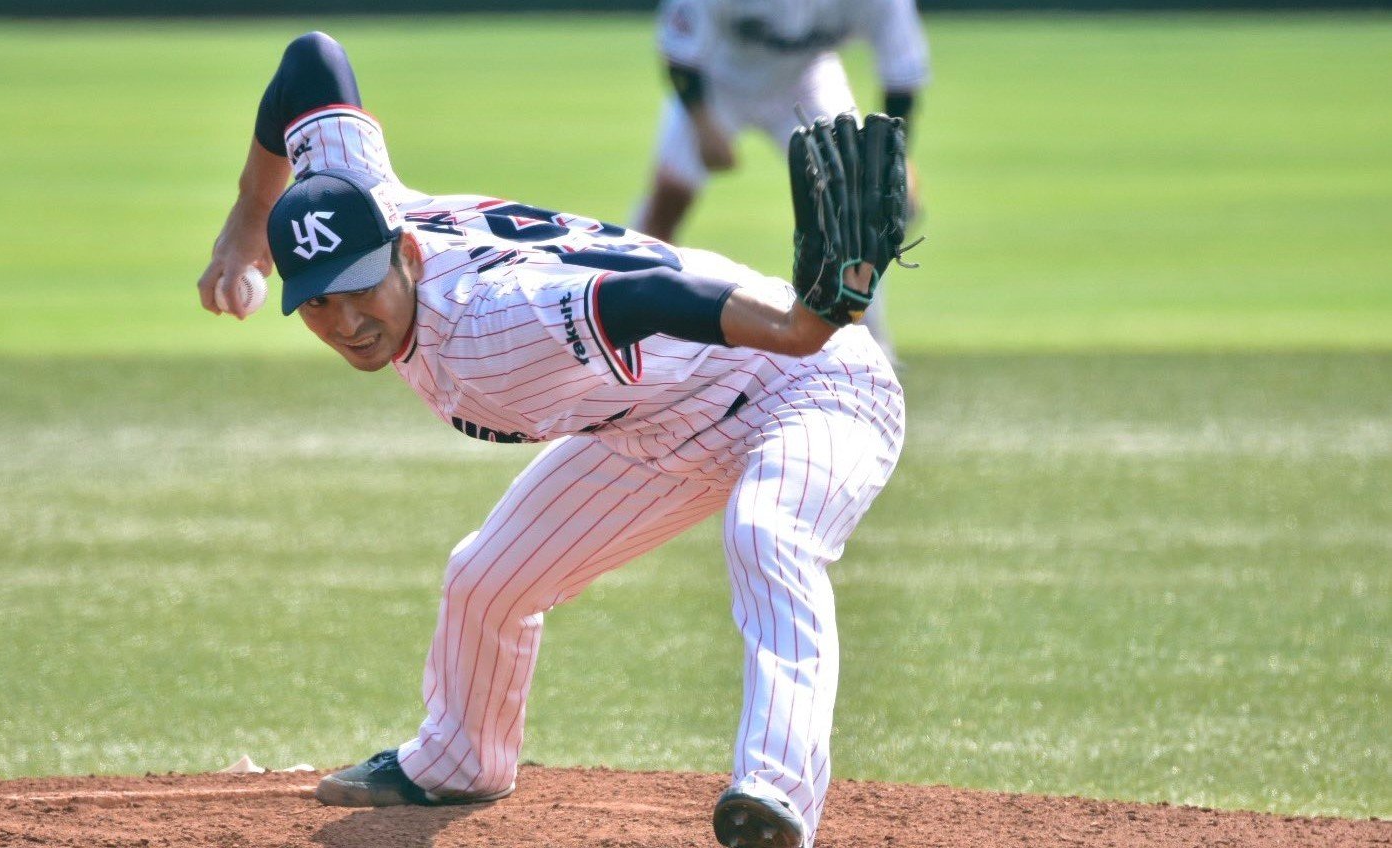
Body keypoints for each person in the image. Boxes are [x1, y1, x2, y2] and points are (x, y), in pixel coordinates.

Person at [196, 32, 904, 848]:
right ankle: (462, 759)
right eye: (317, 304)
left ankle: (774, 797)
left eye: (361, 290)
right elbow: (311, 63)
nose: (347, 321)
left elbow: (654, 295)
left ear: (408, 253)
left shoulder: (495, 327)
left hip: (811, 383)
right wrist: (252, 216)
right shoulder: (356, 192)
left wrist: (795, 326)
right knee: (485, 580)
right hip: (657, 421)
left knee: (766, 533)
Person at [633, 0, 930, 363]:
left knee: (854, 209)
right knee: (669, 196)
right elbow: (679, 52)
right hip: (717, 82)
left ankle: (870, 348)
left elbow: (902, 71)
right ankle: (631, 324)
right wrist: (702, 122)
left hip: (807, 80)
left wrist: (896, 163)